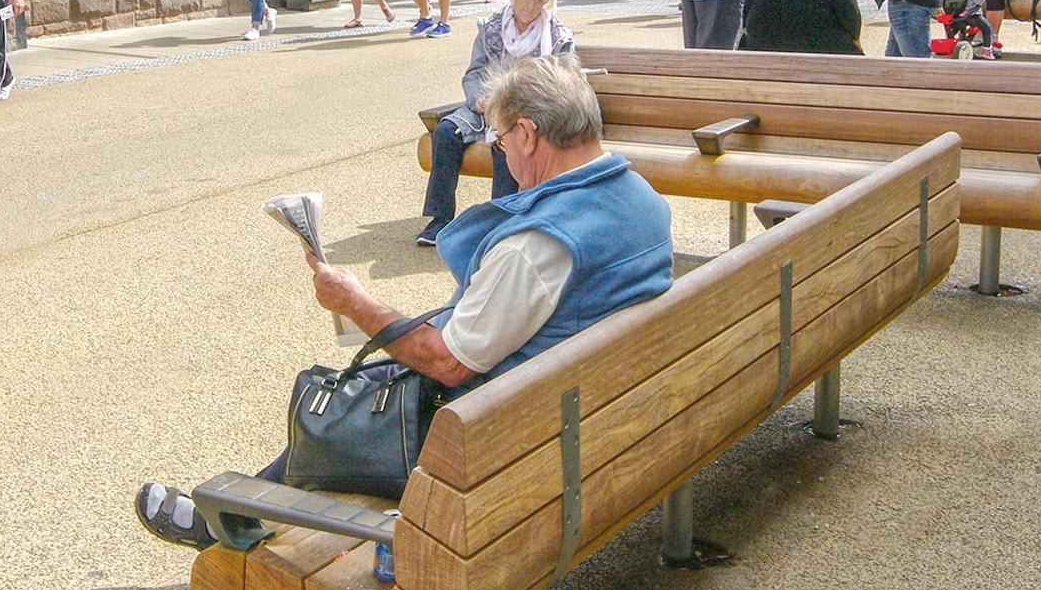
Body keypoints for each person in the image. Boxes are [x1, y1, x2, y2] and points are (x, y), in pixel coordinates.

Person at [134, 55, 672, 549]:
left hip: (514, 435)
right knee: (370, 385)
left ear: (529, 134)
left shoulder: (538, 246)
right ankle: (244, 501)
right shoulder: (639, 196)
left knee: (340, 408)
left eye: (500, 138)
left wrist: (358, 304)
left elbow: (450, 362)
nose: (498, 151)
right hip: (605, 402)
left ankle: (231, 514)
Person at [418, 0, 575, 244]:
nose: (531, 5)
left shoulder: (557, 37)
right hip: (485, 106)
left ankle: (500, 223)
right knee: (444, 133)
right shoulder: (491, 27)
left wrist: (513, 111)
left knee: (508, 144)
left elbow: (561, 87)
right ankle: (439, 220)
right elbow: (475, 71)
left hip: (526, 114)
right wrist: (480, 99)